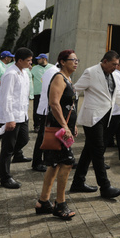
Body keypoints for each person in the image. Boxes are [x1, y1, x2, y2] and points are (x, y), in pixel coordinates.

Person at [69, 50, 120, 199]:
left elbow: (116, 94)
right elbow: (75, 90)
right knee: (98, 150)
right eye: (113, 64)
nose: (115, 67)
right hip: (92, 117)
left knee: (89, 150)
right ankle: (105, 187)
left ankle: (78, 182)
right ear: (104, 61)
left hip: (106, 117)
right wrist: (66, 110)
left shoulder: (112, 75)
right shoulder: (91, 72)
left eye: (117, 65)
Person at [35, 50, 79, 220]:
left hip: (64, 128)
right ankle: (60, 204)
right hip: (58, 129)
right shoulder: (59, 78)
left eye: (77, 60)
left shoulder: (68, 79)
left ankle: (43, 201)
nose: (76, 62)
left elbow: (68, 106)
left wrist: (71, 125)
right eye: (72, 60)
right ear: (62, 61)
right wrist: (64, 125)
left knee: (54, 164)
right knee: (67, 163)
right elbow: (54, 103)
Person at [0, 47, 33, 189]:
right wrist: (9, 118)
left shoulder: (24, 73)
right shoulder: (10, 74)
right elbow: (6, 97)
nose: (30, 63)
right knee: (8, 148)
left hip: (22, 115)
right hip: (11, 116)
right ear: (19, 60)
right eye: (28, 60)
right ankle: (5, 177)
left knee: (24, 139)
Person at [31, 60, 60, 172]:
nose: (76, 63)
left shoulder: (57, 71)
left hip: (53, 109)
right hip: (48, 109)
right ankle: (37, 162)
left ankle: (48, 159)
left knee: (50, 136)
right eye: (73, 60)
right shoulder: (52, 72)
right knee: (43, 136)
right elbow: (50, 92)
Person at [30, 54, 51, 132]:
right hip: (38, 92)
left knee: (48, 109)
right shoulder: (34, 68)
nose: (37, 60)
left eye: (39, 59)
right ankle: (36, 125)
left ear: (44, 59)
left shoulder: (52, 68)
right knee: (36, 109)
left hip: (49, 92)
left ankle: (46, 125)